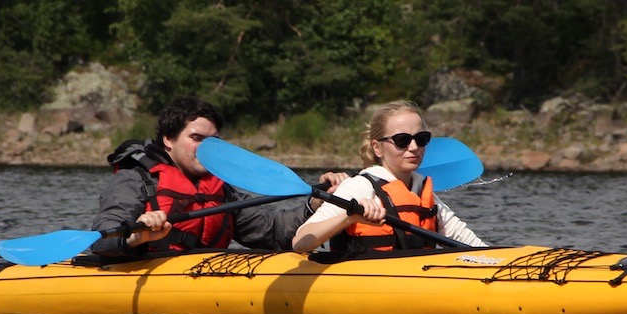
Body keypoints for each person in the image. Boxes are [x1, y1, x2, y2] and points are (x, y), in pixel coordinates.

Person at [91, 95, 347, 258]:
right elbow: (102, 240)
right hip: (147, 290)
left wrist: (316, 205)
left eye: (213, 141)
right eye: (196, 139)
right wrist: (137, 235)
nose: (206, 149)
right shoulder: (136, 180)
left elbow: (274, 232)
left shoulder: (221, 189)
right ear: (168, 140)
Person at [291, 100, 486, 255]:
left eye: (421, 139)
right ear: (377, 148)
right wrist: (348, 217)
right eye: (402, 140)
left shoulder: (421, 189)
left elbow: (471, 245)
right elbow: (301, 241)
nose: (414, 147)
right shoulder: (359, 187)